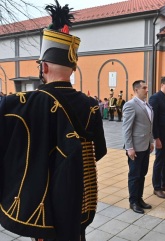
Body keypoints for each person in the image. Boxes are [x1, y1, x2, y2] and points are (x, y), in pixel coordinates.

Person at [0, 1, 107, 240]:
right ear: (73, 69)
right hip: (79, 201)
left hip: (40, 207)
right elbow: (97, 152)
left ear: (44, 66)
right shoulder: (91, 105)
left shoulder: (18, 104)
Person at [122, 80, 154, 214]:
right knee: (134, 175)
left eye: (147, 87)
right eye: (144, 88)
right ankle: (133, 201)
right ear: (136, 90)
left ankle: (139, 198)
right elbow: (126, 128)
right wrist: (129, 147)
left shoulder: (147, 105)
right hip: (135, 148)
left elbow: (149, 126)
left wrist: (151, 141)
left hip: (145, 146)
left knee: (142, 173)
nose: (147, 90)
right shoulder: (130, 105)